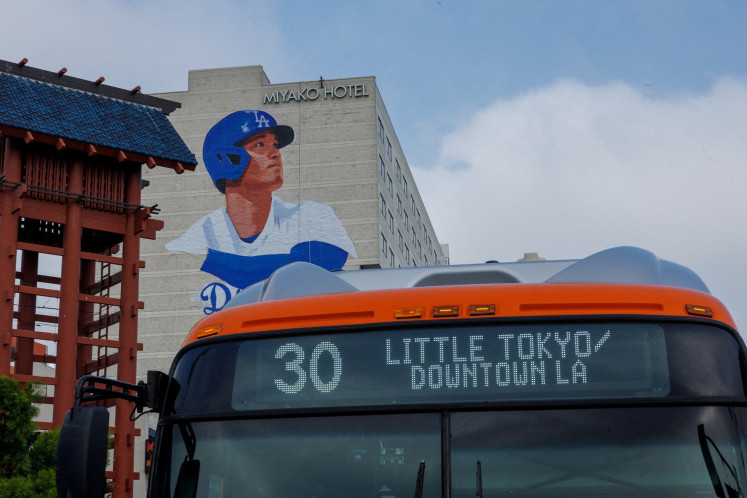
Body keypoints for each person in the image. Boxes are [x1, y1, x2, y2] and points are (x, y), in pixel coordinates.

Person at [166, 110, 357, 289]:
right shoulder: (201, 234)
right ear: (226, 159)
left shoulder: (311, 214)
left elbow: (315, 265)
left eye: (274, 145)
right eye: (260, 145)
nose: (276, 153)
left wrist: (207, 260)